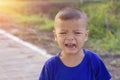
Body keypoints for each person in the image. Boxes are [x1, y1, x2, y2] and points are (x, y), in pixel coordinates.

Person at [39, 7, 112, 80]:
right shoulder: (51, 65)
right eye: (63, 33)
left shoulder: (94, 61)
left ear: (85, 35)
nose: (70, 38)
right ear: (55, 36)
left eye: (77, 33)